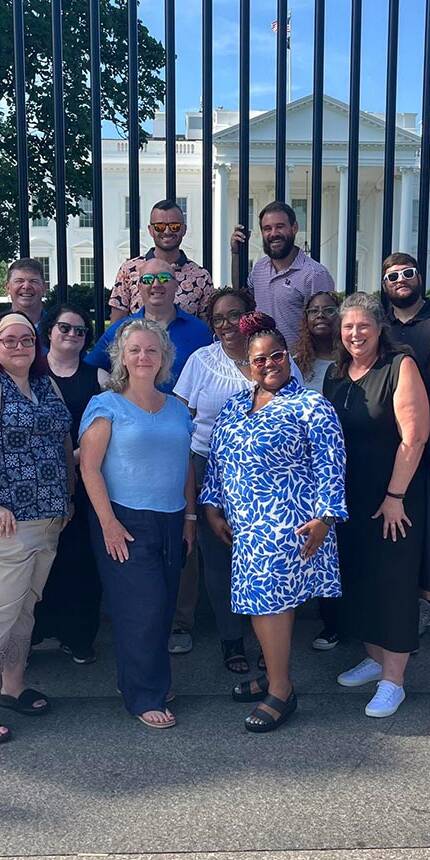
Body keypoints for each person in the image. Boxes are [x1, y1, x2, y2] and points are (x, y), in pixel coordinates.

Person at [200, 312, 347, 733]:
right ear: (248, 365)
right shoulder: (234, 406)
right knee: (258, 604)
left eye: (276, 356)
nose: (268, 365)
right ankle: (272, 673)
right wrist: (211, 504)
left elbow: (331, 465)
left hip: (290, 524)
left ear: (288, 357)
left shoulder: (310, 406)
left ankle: (281, 690)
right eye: (259, 360)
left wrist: (325, 518)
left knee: (271, 605)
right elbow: (218, 459)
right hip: (246, 524)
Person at [172, 288, 305, 662]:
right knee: (218, 555)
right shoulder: (201, 361)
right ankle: (231, 639)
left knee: (267, 558)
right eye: (218, 318)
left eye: (234, 315)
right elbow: (181, 419)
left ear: (250, 316)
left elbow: (297, 408)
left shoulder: (273, 358)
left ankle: (269, 644)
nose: (226, 324)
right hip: (209, 467)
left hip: (269, 476)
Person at [79, 319, 196, 729]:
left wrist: (189, 516)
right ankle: (144, 696)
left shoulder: (178, 408)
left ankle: (143, 680)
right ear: (121, 358)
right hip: (124, 518)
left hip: (170, 519)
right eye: (134, 350)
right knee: (141, 610)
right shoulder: (105, 405)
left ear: (164, 357)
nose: (143, 357)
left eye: (151, 350)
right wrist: (108, 523)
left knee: (161, 608)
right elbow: (90, 469)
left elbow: (184, 467)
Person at [324, 292, 429, 718]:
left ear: (378, 327)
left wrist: (394, 496)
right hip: (351, 498)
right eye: (348, 327)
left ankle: (394, 680)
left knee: (393, 585)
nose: (355, 334)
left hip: (393, 498)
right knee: (360, 579)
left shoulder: (399, 367)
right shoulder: (336, 373)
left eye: (362, 326)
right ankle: (374, 657)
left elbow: (415, 436)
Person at [0, 311, 73, 744]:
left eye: (26, 339)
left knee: (26, 609)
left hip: (48, 515)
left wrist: (68, 495)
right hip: (10, 520)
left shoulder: (46, 385)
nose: (18, 346)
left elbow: (63, 439)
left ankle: (12, 684)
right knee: (2, 613)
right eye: (8, 339)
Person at [32, 305, 108, 664]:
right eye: (65, 327)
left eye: (80, 331)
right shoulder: (27, 373)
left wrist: (75, 458)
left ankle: (78, 637)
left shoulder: (100, 377)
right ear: (49, 331)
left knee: (80, 560)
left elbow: (112, 425)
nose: (72, 335)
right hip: (36, 484)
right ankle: (34, 632)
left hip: (84, 478)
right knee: (40, 559)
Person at [382, 253, 430, 635]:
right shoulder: (380, 328)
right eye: (392, 275)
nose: (400, 280)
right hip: (390, 449)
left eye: (407, 273)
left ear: (420, 277)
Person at [293, 290, 341, 650]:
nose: (321, 316)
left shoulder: (351, 357)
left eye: (329, 309)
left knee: (341, 542)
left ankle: (338, 621)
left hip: (342, 458)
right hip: (304, 467)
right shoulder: (297, 361)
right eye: (314, 311)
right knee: (315, 542)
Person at [85, 259, 212, 386]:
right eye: (147, 279)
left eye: (164, 278)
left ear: (176, 285)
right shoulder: (121, 329)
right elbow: (89, 368)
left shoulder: (200, 331)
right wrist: (113, 391)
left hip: (181, 406)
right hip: (131, 405)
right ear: (139, 287)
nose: (156, 284)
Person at [230, 201, 335, 345]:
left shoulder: (314, 274)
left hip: (300, 363)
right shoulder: (259, 268)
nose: (273, 234)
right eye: (267, 228)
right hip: (264, 361)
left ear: (294, 228)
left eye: (280, 226)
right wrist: (236, 253)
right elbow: (241, 297)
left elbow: (327, 326)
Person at [109, 199, 214, 322]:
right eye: (160, 227)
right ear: (151, 230)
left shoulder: (201, 277)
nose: (167, 231)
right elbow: (116, 325)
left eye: (175, 226)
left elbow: (206, 329)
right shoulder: (129, 270)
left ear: (184, 229)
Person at [5, 258, 47, 330]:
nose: (26, 286)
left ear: (44, 287)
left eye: (33, 281)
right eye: (19, 281)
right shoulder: (1, 325)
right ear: (8, 288)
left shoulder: (59, 328)